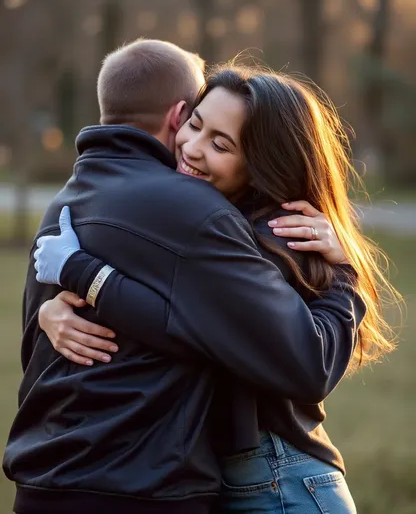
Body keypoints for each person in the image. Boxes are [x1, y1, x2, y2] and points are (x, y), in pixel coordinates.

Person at [1, 40, 392, 514]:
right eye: (195, 125)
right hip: (242, 480)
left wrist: (86, 275)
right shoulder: (203, 221)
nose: (192, 147)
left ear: (260, 162)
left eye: (221, 144)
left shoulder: (263, 234)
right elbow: (179, 326)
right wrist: (54, 304)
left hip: (283, 480)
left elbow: (288, 357)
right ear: (180, 114)